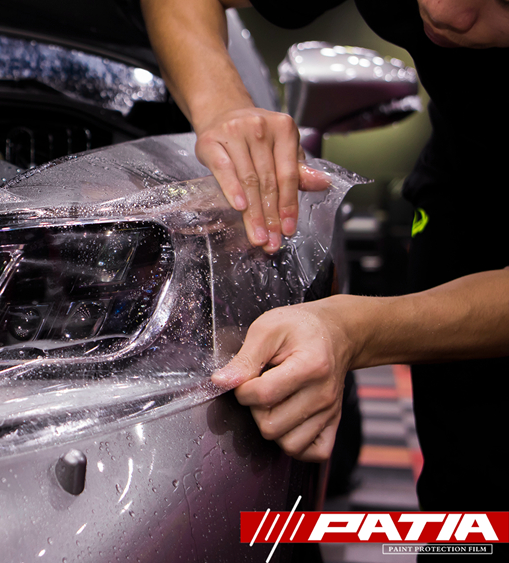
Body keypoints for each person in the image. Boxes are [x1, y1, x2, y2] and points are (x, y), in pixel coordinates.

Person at [140, 0, 509, 522]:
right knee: (464, 490)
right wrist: (223, 105)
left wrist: (355, 330)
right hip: (468, 183)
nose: (443, 10)